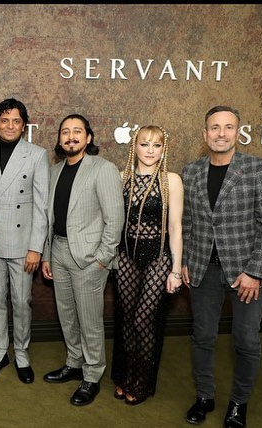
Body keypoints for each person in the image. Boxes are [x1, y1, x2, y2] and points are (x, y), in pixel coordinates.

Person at [182, 106, 262, 428]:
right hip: (203, 270)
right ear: (205, 133)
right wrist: (185, 261)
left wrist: (255, 272)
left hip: (246, 273)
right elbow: (186, 223)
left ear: (238, 132)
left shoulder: (258, 169)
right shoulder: (190, 172)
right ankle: (205, 396)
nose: (221, 133)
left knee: (246, 341)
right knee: (202, 337)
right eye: (214, 127)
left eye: (228, 127)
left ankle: (238, 404)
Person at [40, 113, 124, 406]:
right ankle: (74, 363)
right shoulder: (55, 171)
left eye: (77, 131)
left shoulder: (104, 169)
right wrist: (47, 255)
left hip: (89, 258)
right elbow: (50, 220)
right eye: (65, 132)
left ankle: (92, 375)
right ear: (60, 139)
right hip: (59, 251)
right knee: (67, 314)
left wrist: (102, 258)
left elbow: (115, 219)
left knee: (90, 321)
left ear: (88, 138)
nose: (71, 136)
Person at [0, 98, 50, 384]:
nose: (9, 126)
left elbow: (42, 206)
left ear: (24, 125)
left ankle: (21, 353)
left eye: (16, 121)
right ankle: (0, 351)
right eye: (4, 120)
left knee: (21, 301)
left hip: (22, 242)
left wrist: (36, 248)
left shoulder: (37, 155)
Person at [109, 125, 184, 406]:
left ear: (164, 149)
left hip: (158, 257)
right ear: (134, 146)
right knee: (127, 319)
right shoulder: (121, 178)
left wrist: (176, 269)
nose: (150, 151)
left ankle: (142, 379)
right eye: (145, 144)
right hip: (126, 255)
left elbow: (175, 228)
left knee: (143, 319)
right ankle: (127, 374)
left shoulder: (171, 181)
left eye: (157, 145)